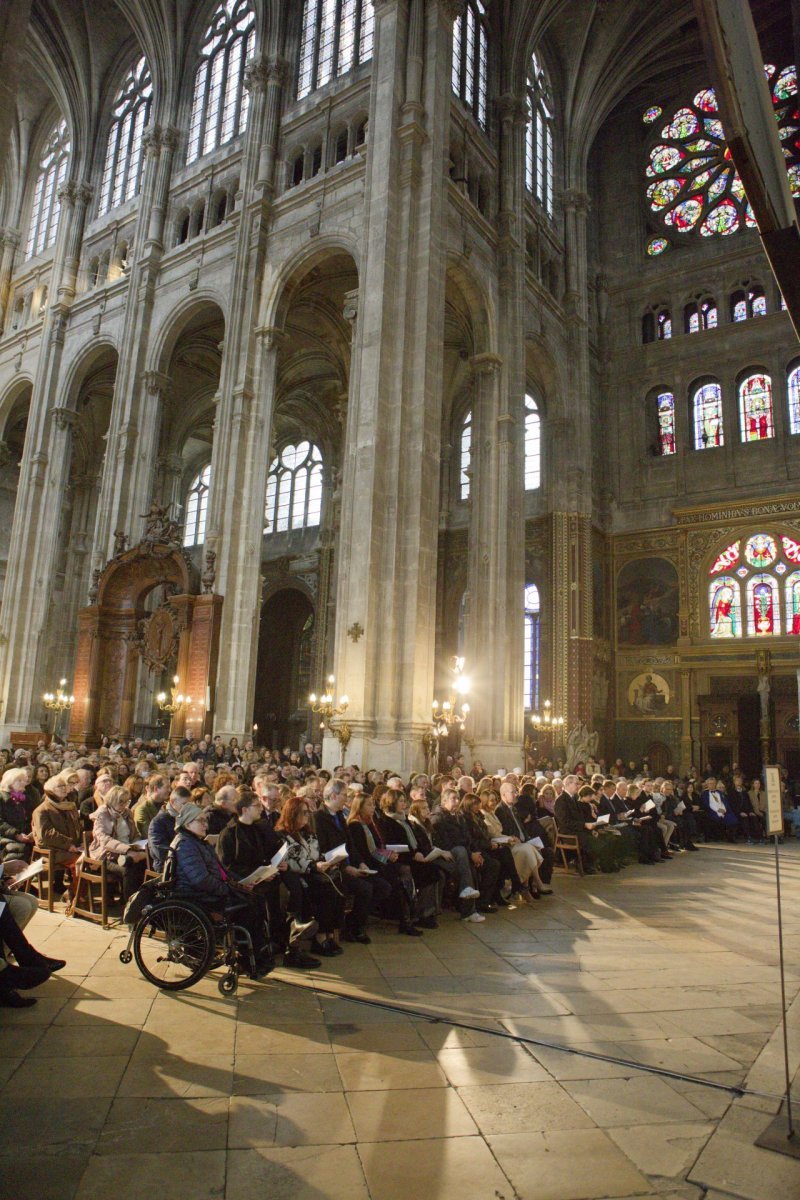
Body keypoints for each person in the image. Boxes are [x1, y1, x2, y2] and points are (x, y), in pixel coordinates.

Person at [170, 802, 273, 978]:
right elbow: (200, 879)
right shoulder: (186, 844)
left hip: (207, 891)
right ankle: (250, 959)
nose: (205, 824)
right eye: (200, 821)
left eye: (205, 820)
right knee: (248, 907)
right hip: (195, 896)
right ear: (188, 824)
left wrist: (240, 882)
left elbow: (222, 870)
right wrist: (227, 889)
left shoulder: (198, 842)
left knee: (256, 899)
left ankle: (256, 955)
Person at [314, 781, 390, 943]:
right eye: (344, 796)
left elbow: (351, 845)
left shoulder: (340, 816)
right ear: (333, 796)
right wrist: (346, 868)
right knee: (365, 889)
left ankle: (353, 922)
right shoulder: (319, 818)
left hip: (350, 865)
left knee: (383, 887)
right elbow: (323, 848)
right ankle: (354, 928)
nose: (346, 799)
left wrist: (360, 863)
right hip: (333, 868)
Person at [276, 795, 346, 956]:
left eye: (308, 813)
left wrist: (327, 861)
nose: (308, 816)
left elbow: (315, 854)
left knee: (337, 891)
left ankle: (329, 934)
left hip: (314, 871)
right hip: (299, 875)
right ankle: (319, 938)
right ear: (293, 814)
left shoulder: (309, 833)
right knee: (325, 892)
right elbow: (290, 860)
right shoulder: (282, 835)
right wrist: (314, 866)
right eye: (304, 813)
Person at [346, 792, 424, 935]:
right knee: (392, 882)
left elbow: (378, 846)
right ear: (360, 807)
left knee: (402, 876)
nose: (372, 807)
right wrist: (387, 857)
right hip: (368, 865)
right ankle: (357, 920)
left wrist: (389, 855)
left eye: (373, 804)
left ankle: (408, 919)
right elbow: (364, 852)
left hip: (378, 862)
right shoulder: (355, 825)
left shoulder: (369, 823)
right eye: (369, 805)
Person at [89, 784, 147, 902]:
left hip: (127, 852)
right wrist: (126, 849)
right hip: (106, 855)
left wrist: (137, 845)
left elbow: (134, 834)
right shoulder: (103, 813)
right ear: (112, 800)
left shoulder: (127, 813)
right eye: (121, 802)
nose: (124, 805)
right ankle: (129, 905)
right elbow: (104, 840)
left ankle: (139, 901)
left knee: (144, 865)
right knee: (128, 870)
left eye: (127, 801)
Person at [31, 773, 83, 902]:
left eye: (65, 786)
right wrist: (68, 845)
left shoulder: (68, 807)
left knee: (93, 861)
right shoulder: (42, 810)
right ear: (50, 790)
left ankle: (72, 892)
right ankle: (76, 897)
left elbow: (77, 828)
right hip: (52, 851)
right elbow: (47, 834)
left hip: (70, 848)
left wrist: (79, 844)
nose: (64, 788)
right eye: (60, 786)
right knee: (80, 863)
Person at [553, 774, 598, 873]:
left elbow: (580, 818)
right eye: (576, 784)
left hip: (576, 829)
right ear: (568, 784)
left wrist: (588, 827)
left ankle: (590, 864)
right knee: (589, 839)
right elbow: (564, 822)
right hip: (567, 832)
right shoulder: (561, 800)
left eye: (579, 784)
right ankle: (584, 865)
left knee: (597, 836)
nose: (579, 786)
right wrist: (584, 825)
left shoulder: (574, 798)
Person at [148, 785, 192, 872]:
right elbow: (161, 852)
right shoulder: (158, 822)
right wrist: (186, 856)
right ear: (172, 802)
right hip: (168, 867)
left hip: (187, 862)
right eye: (184, 804)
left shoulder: (188, 818)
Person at [0, 766, 37, 862]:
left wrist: (32, 833)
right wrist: (16, 834)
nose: (23, 783)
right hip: (5, 837)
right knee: (19, 850)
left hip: (24, 837)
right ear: (10, 781)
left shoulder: (25, 799)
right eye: (19, 780)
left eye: (24, 780)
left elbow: (31, 818)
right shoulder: (2, 798)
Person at [132, 773, 170, 837]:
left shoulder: (168, 806)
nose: (169, 790)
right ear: (156, 789)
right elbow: (147, 833)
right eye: (167, 787)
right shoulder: (141, 809)